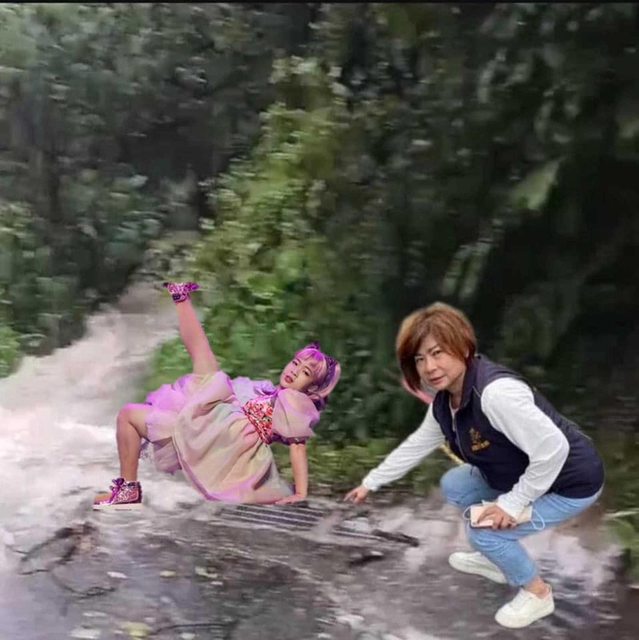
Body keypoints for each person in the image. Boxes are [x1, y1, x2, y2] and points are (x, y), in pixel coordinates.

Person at [345, 302, 604, 629]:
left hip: (570, 484)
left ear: (463, 347)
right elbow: (416, 445)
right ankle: (497, 556)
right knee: (456, 484)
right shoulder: (445, 403)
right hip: (526, 473)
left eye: (437, 353)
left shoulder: (496, 394)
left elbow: (554, 450)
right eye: (420, 359)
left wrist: (511, 505)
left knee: (481, 531)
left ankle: (537, 593)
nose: (429, 367)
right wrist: (371, 482)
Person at [94, 281, 340, 510]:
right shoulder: (267, 391)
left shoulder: (294, 402)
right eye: (295, 363)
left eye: (305, 372)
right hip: (212, 434)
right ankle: (128, 490)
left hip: (227, 446)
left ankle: (182, 300)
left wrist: (301, 492)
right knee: (129, 415)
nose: (294, 371)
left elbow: (298, 447)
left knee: (206, 369)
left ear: (312, 389)